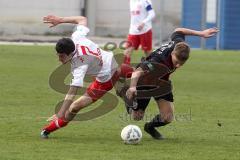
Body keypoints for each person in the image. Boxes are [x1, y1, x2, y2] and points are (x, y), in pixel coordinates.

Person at [40, 15, 133, 139]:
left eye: (61, 56)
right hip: (111, 62)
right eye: (58, 55)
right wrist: (61, 20)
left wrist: (61, 112)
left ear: (70, 53)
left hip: (107, 78)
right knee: (138, 74)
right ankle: (127, 92)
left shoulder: (79, 64)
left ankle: (47, 130)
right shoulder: (76, 38)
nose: (59, 59)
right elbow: (82, 19)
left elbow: (72, 91)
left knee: (74, 107)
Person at [121, 27, 219, 140]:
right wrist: (133, 87)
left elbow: (178, 30)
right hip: (145, 82)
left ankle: (150, 127)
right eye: (176, 62)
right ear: (172, 53)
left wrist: (201, 33)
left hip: (162, 82)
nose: (178, 66)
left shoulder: (179, 46)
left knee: (168, 117)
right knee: (137, 117)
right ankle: (128, 98)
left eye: (181, 64)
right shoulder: (158, 60)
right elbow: (137, 72)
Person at [123, 0, 156, 64]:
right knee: (127, 52)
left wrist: (143, 22)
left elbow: (152, 14)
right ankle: (125, 71)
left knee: (148, 53)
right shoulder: (131, 1)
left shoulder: (145, 1)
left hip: (145, 31)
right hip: (133, 31)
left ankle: (152, 69)